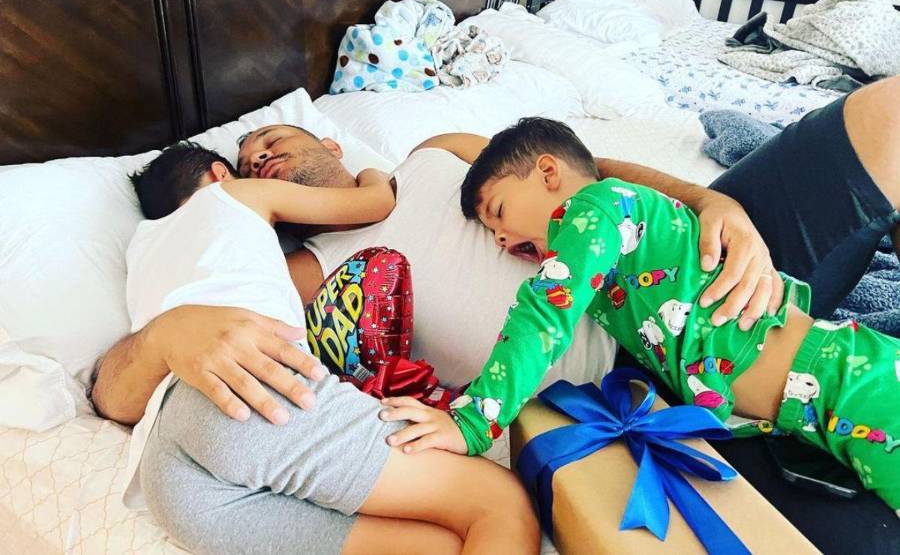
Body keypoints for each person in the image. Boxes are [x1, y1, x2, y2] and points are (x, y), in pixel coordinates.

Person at [379, 117, 900, 514]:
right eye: (492, 234)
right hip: (811, 414)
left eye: (498, 213)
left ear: (548, 173)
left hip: (846, 380)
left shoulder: (597, 207)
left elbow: (543, 313)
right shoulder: (612, 253)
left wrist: (473, 422)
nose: (500, 239)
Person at [125, 142, 539, 555]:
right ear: (220, 173)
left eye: (269, 144)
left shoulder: (141, 246)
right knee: (499, 504)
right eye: (247, 163)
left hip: (168, 470)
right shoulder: (235, 193)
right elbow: (376, 201)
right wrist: (372, 170)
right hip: (249, 390)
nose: (259, 163)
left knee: (441, 545)